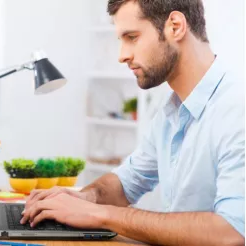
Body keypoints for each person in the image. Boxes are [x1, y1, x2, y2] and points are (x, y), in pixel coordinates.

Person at [20, 0, 245, 245]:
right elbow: (128, 181)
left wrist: (100, 215)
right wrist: (84, 199)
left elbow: (232, 233)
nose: (123, 55)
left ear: (176, 27)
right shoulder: (171, 111)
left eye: (132, 37)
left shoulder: (237, 110)